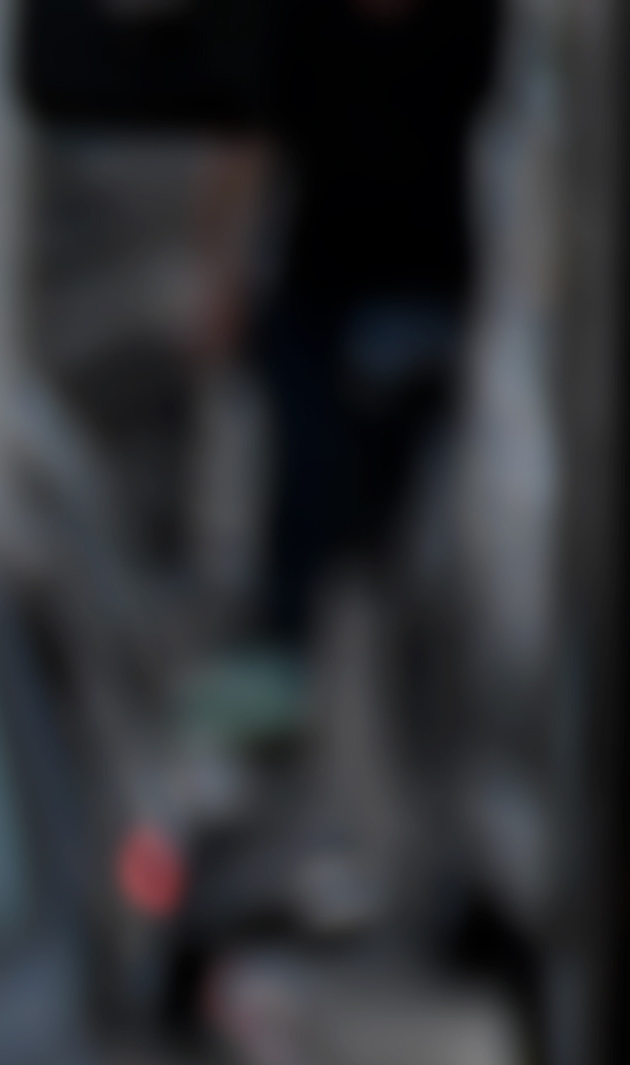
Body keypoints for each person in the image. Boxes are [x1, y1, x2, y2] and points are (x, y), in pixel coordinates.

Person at [223, 0, 510, 648]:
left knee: (403, 517)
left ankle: (392, 656)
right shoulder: (297, 19)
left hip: (425, 297)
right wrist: (221, 277)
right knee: (303, 491)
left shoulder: (470, 20)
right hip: (316, 291)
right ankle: (283, 658)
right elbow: (248, 142)